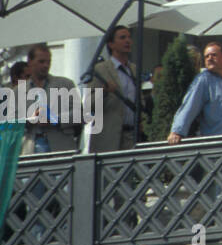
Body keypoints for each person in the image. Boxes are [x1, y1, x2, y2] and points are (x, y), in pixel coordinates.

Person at [168, 42, 222, 143]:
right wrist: (177, 131)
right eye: (206, 56)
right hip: (218, 147)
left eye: (213, 55)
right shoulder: (203, 80)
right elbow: (189, 106)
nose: (209, 58)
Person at [19, 46, 81, 155]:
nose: (46, 65)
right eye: (41, 61)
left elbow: (80, 114)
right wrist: (31, 119)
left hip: (61, 146)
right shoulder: (17, 92)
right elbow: (11, 121)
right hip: (30, 148)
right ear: (30, 62)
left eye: (48, 62)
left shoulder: (65, 84)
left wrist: (54, 119)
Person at [88, 25, 141, 153]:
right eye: (122, 38)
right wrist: (104, 92)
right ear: (111, 44)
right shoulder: (100, 69)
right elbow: (88, 104)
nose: (128, 41)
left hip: (132, 135)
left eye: (129, 37)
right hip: (109, 136)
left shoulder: (134, 70)